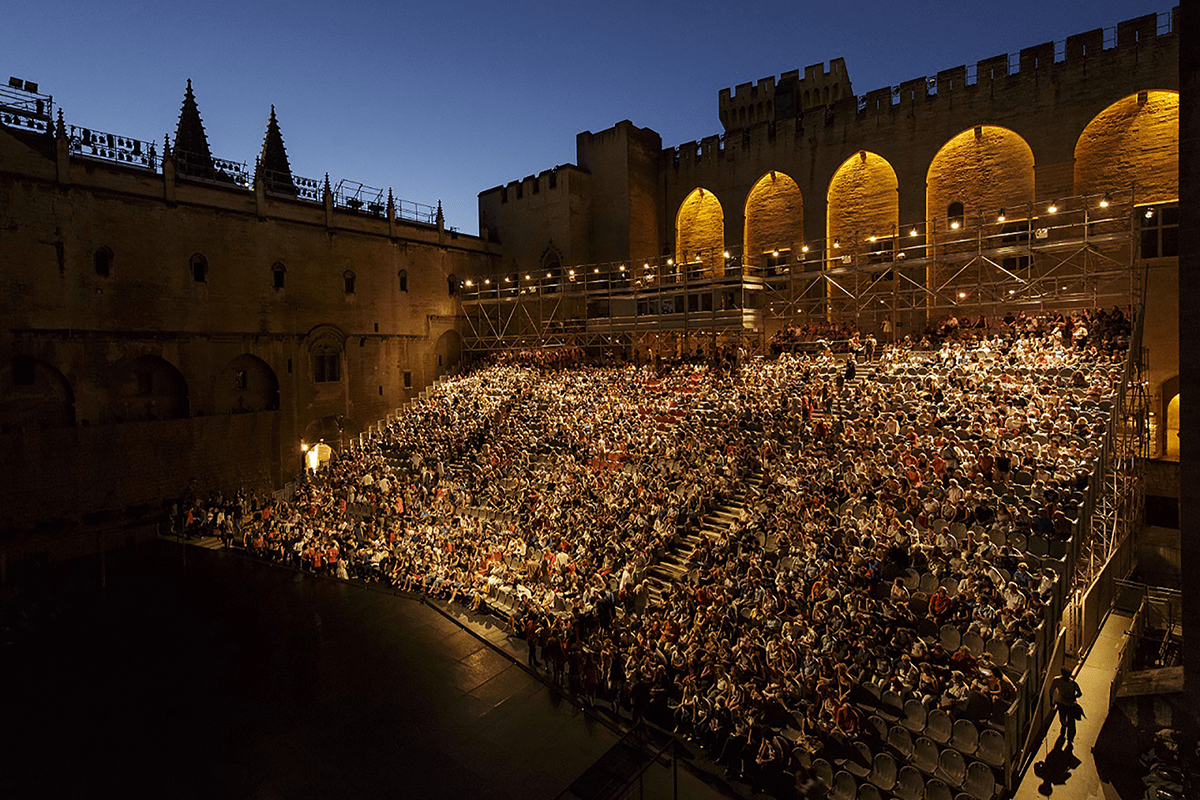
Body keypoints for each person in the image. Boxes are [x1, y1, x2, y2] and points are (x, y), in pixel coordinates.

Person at [1050, 668, 1083, 745]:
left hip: (1068, 705)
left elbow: (1079, 693)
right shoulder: (1058, 681)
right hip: (1063, 704)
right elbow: (1051, 692)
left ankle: (1069, 737)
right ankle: (1065, 729)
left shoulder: (1072, 683)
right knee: (1064, 719)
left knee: (1070, 721)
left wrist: (1072, 697)